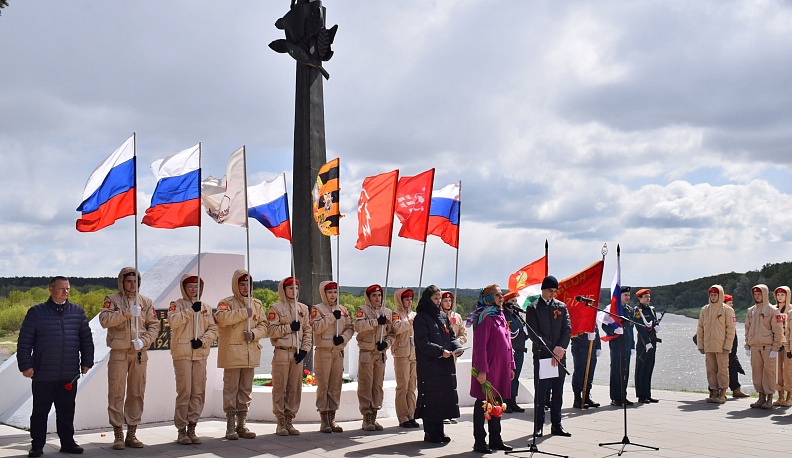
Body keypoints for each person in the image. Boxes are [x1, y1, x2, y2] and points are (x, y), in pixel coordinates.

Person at [17, 276, 94, 458]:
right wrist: (25, 365)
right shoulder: (36, 312)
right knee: (40, 413)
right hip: (43, 374)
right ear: (51, 289)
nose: (65, 292)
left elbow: (86, 340)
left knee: (67, 411)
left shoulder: (77, 312)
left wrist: (87, 362)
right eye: (61, 288)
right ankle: (37, 446)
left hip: (69, 374)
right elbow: (24, 343)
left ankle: (67, 443)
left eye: (68, 289)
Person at [98, 267, 159, 449]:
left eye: (136, 281)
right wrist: (126, 313)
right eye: (129, 281)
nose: (133, 285)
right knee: (116, 392)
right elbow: (104, 321)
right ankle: (118, 432)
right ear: (122, 282)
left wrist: (145, 340)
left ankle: (132, 433)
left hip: (139, 353)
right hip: (119, 352)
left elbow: (154, 326)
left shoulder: (146, 302)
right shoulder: (112, 299)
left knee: (136, 392)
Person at [215, 269, 267, 440]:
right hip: (232, 353)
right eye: (242, 284)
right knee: (231, 389)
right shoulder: (226, 302)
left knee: (245, 390)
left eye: (248, 284)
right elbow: (222, 319)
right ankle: (230, 426)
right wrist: (244, 312)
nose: (246, 287)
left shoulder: (257, 304)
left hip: (250, 352)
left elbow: (264, 325)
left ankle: (241, 424)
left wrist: (254, 334)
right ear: (236, 285)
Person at [167, 274, 218, 444]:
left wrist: (203, 341)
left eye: (196, 287)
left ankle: (192, 426)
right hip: (182, 353)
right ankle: (181, 429)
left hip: (200, 354)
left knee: (198, 391)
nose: (193, 290)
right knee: (185, 391)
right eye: (190, 287)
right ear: (184, 288)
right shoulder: (177, 305)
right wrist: (190, 310)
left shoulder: (206, 307)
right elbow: (173, 322)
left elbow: (213, 328)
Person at [414, 285, 464, 444]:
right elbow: (423, 343)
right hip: (429, 365)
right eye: (435, 299)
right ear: (428, 299)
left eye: (439, 299)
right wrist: (440, 351)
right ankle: (430, 433)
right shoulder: (421, 318)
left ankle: (440, 432)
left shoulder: (443, 316)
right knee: (431, 398)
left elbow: (452, 336)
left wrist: (457, 347)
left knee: (442, 399)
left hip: (444, 365)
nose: (438, 302)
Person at [525, 275, 572, 437]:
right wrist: (553, 348)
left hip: (559, 355)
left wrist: (561, 348)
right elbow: (533, 333)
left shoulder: (561, 306)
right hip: (543, 354)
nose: (552, 294)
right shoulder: (533, 308)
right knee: (542, 392)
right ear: (543, 290)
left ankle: (556, 424)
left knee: (558, 391)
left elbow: (567, 329)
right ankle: (538, 425)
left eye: (554, 291)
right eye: (550, 291)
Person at [470, 284, 515, 453]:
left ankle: (496, 439)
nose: (501, 297)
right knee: (483, 403)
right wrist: (482, 370)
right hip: (488, 368)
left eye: (501, 294)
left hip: (501, 368)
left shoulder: (500, 315)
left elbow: (508, 342)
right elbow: (480, 347)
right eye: (497, 295)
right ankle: (479, 441)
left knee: (496, 403)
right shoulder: (484, 317)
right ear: (488, 298)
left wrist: (511, 365)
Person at [266, 276, 313, 436]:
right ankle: (280, 421)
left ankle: (289, 420)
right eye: (290, 288)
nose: (294, 291)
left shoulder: (303, 309)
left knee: (294, 388)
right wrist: (288, 327)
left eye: (296, 288)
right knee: (280, 388)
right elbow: (271, 331)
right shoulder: (276, 308)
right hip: (282, 351)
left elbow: (307, 330)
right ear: (284, 290)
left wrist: (305, 350)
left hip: (297, 354)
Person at [310, 281, 354, 433]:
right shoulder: (317, 309)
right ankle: (324, 419)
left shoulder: (343, 309)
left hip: (337, 352)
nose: (333, 295)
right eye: (330, 292)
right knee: (324, 386)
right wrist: (330, 317)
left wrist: (343, 338)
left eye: (335, 292)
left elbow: (350, 327)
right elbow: (315, 327)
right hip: (324, 352)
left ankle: (332, 417)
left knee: (335, 386)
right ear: (324, 293)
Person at [354, 284, 395, 431]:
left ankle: (374, 415)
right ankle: (366, 417)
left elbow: (392, 333)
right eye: (374, 296)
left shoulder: (388, 312)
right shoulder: (362, 310)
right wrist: (376, 321)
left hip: (380, 353)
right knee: (366, 385)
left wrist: (386, 343)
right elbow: (359, 326)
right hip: (367, 351)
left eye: (379, 295)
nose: (377, 298)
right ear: (369, 297)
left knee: (377, 386)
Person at [744, 284, 784, 409]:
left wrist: (776, 348)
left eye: (759, 294)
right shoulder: (751, 310)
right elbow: (747, 329)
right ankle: (761, 398)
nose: (757, 296)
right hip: (755, 347)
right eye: (755, 294)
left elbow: (778, 331)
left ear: (765, 294)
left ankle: (770, 399)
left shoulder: (772, 310)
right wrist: (747, 345)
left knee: (769, 373)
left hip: (768, 347)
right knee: (757, 373)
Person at [696, 285, 736, 404]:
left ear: (720, 295)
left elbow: (731, 329)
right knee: (711, 370)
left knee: (723, 370)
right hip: (709, 346)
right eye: (711, 295)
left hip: (721, 347)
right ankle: (713, 391)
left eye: (715, 295)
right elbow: (700, 328)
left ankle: (722, 393)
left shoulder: (727, 310)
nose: (713, 297)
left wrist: (727, 346)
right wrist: (700, 345)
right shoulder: (705, 310)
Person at [602, 286, 636, 407]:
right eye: (625, 295)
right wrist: (614, 330)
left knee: (625, 371)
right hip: (617, 345)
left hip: (627, 344)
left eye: (628, 295)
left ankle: (623, 396)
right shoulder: (612, 310)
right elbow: (605, 326)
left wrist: (632, 345)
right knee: (616, 370)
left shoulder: (630, 310)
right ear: (619, 296)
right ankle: (615, 397)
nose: (627, 297)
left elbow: (631, 330)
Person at [391, 288, 418, 428]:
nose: (409, 301)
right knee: (403, 386)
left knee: (412, 386)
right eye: (406, 299)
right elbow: (397, 328)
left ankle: (412, 414)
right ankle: (403, 417)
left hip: (414, 354)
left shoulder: (415, 314)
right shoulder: (396, 315)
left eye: (410, 299)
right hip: (401, 354)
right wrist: (410, 321)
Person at [440, 290, 466, 424]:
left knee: (451, 384)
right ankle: (442, 412)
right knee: (442, 384)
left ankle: (450, 412)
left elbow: (463, 334)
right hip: (442, 354)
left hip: (453, 355)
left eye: (450, 300)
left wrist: (458, 344)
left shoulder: (457, 317)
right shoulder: (438, 316)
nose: (448, 303)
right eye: (445, 300)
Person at [502, 291, 528, 413]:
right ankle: (506, 402)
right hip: (509, 352)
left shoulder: (517, 316)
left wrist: (527, 332)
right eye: (512, 301)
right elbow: (511, 334)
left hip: (519, 351)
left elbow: (523, 335)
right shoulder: (504, 316)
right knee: (508, 377)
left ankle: (513, 401)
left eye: (515, 301)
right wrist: (522, 331)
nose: (515, 303)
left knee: (516, 377)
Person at [634, 288, 660, 403]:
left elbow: (654, 322)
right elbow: (640, 328)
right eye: (646, 297)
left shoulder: (652, 309)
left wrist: (657, 326)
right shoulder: (637, 311)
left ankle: (648, 394)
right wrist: (647, 342)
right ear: (640, 298)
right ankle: (641, 395)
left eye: (649, 297)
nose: (648, 299)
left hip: (652, 342)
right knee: (641, 369)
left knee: (649, 368)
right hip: (643, 343)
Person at [723, 294, 749, 398]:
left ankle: (736, 389)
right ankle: (719, 391)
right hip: (723, 348)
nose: (732, 305)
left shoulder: (730, 314)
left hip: (731, 348)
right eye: (730, 303)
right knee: (721, 370)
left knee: (733, 367)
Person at [570, 327, 601, 409]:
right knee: (580, 372)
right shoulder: (577, 314)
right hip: (580, 347)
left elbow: (596, 329)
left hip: (592, 346)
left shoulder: (592, 314)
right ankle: (577, 399)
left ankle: (586, 396)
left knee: (590, 373)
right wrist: (582, 337)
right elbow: (572, 331)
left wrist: (598, 346)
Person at [774, 286, 791, 406]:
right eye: (778, 295)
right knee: (777, 370)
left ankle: (789, 396)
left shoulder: (790, 309)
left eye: (782, 295)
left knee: (789, 370)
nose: (780, 297)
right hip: (777, 343)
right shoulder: (773, 309)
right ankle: (780, 396)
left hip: (788, 343)